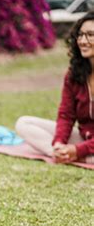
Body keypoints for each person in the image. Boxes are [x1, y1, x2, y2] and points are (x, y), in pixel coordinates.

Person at [15, 12, 94, 164]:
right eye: (80, 35)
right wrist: (59, 143)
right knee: (24, 123)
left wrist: (78, 150)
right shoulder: (74, 74)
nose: (83, 41)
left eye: (90, 35)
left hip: (86, 145)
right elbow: (66, 115)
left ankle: (76, 155)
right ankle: (61, 154)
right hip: (84, 137)